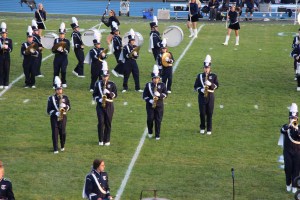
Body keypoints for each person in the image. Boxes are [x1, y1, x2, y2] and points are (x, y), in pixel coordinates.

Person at [194, 55, 219, 135]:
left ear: (210, 67)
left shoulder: (214, 76)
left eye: (207, 68)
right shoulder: (200, 76)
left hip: (210, 96)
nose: (206, 69)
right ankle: (202, 127)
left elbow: (217, 86)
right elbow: (195, 87)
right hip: (202, 96)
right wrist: (200, 89)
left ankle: (209, 129)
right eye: (205, 68)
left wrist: (210, 84)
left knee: (209, 113)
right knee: (202, 113)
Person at [93, 67, 117, 146]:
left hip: (109, 105)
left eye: (106, 76)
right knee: (100, 122)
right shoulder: (98, 84)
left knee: (108, 123)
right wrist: (98, 99)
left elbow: (115, 95)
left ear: (108, 76)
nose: (105, 77)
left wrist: (109, 92)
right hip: (100, 105)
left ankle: (107, 140)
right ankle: (100, 140)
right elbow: (94, 95)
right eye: (103, 76)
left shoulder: (112, 84)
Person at [47, 76, 71, 154]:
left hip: (63, 117)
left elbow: (69, 107)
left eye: (60, 89)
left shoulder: (65, 97)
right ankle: (55, 148)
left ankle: (62, 145)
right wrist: (55, 112)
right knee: (55, 132)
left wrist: (65, 107)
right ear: (55, 90)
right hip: (54, 118)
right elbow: (48, 111)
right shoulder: (51, 98)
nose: (59, 90)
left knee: (63, 132)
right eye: (57, 89)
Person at [143, 65, 167, 140]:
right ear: (152, 78)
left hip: (159, 105)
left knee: (158, 120)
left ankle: (157, 135)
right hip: (150, 106)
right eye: (154, 78)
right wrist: (150, 100)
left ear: (159, 78)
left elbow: (166, 94)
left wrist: (159, 95)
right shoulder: (148, 85)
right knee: (150, 119)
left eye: (157, 78)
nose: (156, 80)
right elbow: (144, 96)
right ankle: (150, 131)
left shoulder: (162, 85)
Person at [280, 103, 300, 194]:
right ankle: (288, 183)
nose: (293, 120)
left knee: (296, 168)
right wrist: (288, 127)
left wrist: (296, 129)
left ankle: (295, 185)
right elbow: (282, 130)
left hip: (297, 152)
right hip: (288, 151)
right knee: (288, 168)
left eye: (294, 118)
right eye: (291, 118)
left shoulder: (299, 128)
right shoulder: (286, 126)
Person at [51, 22, 70, 88]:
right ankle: (55, 83)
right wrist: (57, 50)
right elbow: (53, 50)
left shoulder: (67, 41)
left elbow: (68, 51)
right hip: (57, 58)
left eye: (63, 34)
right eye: (60, 34)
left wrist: (62, 50)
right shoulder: (56, 40)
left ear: (65, 34)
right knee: (56, 71)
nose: (61, 35)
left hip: (64, 58)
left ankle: (63, 82)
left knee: (63, 71)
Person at [0, 22, 13, 90]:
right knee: (1, 70)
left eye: (4, 33)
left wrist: (7, 48)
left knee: (6, 70)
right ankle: (1, 83)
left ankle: (6, 83)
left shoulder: (9, 40)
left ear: (6, 33)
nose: (3, 34)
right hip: (0, 57)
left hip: (7, 57)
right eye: (2, 33)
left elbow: (11, 50)